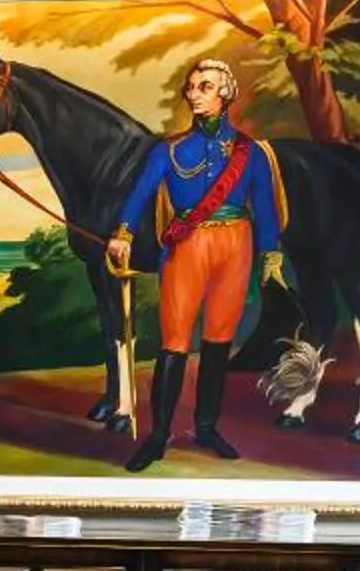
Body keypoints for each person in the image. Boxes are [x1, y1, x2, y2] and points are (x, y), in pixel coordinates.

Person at [105, 58, 289, 473]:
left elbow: (263, 204)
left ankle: (206, 427)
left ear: (225, 93)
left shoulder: (250, 153)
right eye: (191, 87)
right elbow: (140, 193)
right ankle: (158, 436)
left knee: (219, 340)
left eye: (204, 86)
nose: (193, 94)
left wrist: (270, 253)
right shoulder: (168, 150)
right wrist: (123, 232)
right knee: (174, 342)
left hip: (236, 244)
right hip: (187, 245)